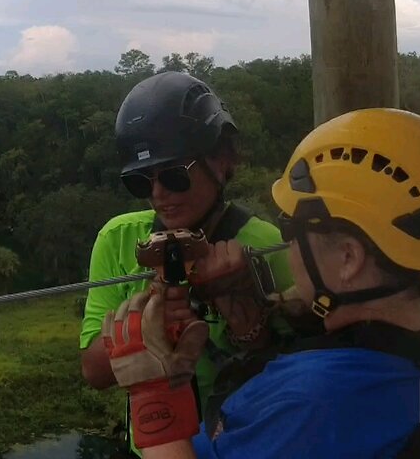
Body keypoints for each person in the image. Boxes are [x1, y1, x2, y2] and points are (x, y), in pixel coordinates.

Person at [101, 107, 420, 458]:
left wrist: (151, 392)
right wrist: (252, 328)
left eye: (292, 228)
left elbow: (318, 418)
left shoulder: (316, 400)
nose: (285, 244)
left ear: (348, 258)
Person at [78, 71, 296, 455]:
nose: (160, 195)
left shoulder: (265, 246)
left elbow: (297, 372)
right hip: (156, 443)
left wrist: (244, 311)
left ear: (222, 160)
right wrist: (141, 329)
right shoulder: (119, 240)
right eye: (142, 183)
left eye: (175, 177)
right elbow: (94, 373)